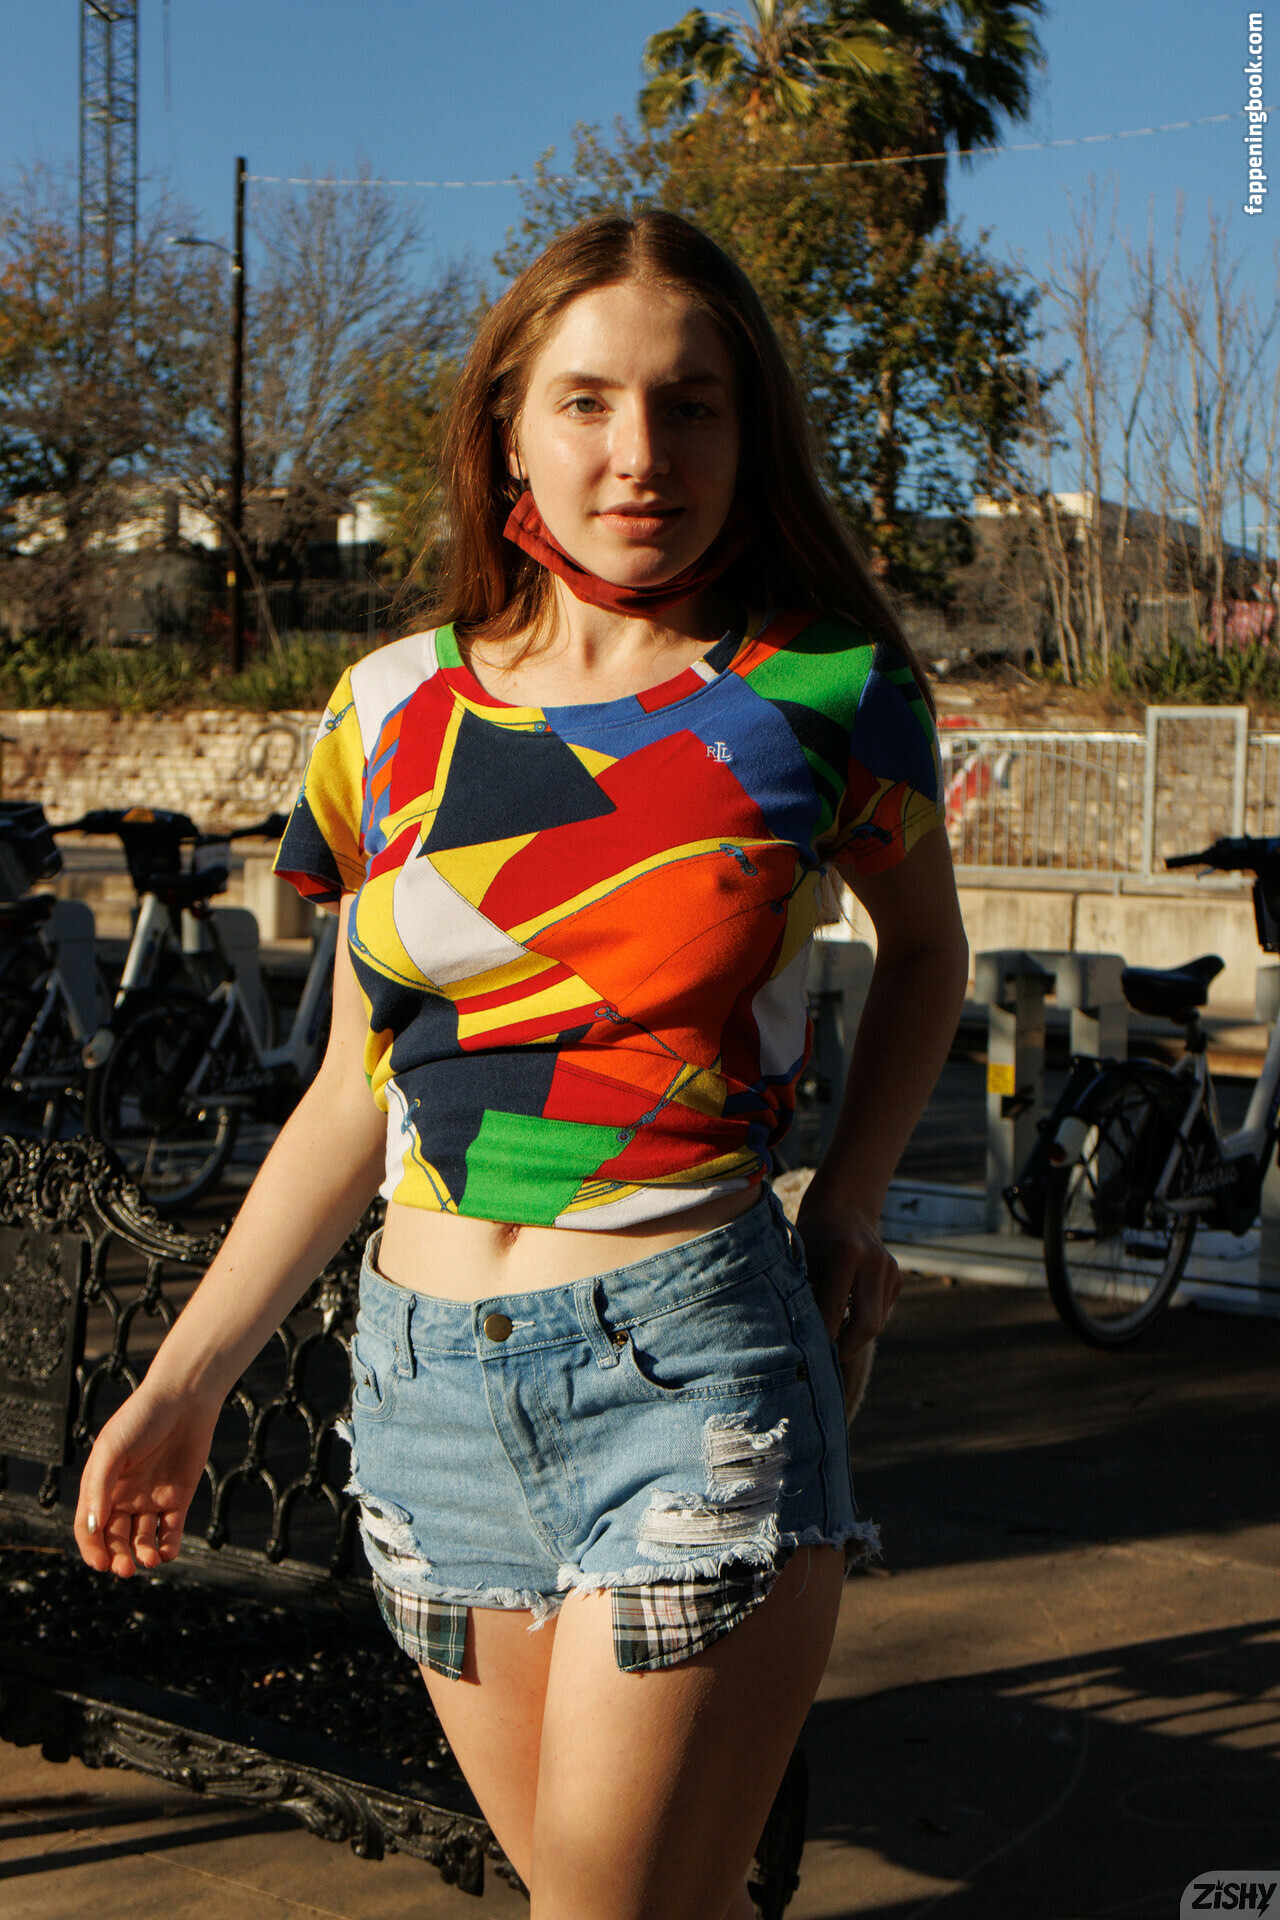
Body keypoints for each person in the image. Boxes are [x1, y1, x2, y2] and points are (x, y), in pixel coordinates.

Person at [74, 210, 968, 1920]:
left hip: (688, 1369)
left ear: (748, 433)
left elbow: (928, 952)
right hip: (424, 1400)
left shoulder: (820, 694)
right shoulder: (385, 714)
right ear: (506, 433)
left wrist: (852, 1196)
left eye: (692, 405)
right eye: (589, 401)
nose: (642, 454)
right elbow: (358, 1087)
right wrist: (185, 1382)